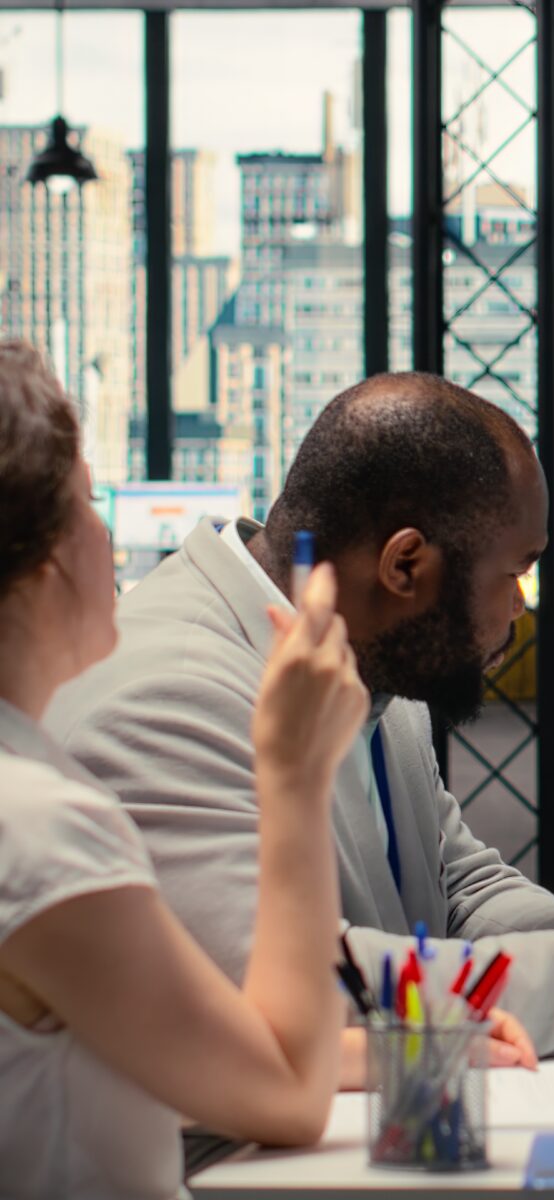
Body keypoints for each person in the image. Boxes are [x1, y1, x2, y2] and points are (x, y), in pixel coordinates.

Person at [46, 372, 554, 1060]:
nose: (522, 605)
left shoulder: (365, 657)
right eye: (515, 572)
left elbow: (454, 893)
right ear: (405, 567)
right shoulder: (164, 699)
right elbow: (299, 994)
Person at [0, 340, 370, 1197]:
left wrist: (377, 1056)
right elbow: (285, 1094)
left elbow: (167, 1035)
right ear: (45, 560)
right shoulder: (41, 827)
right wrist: (293, 776)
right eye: (88, 504)